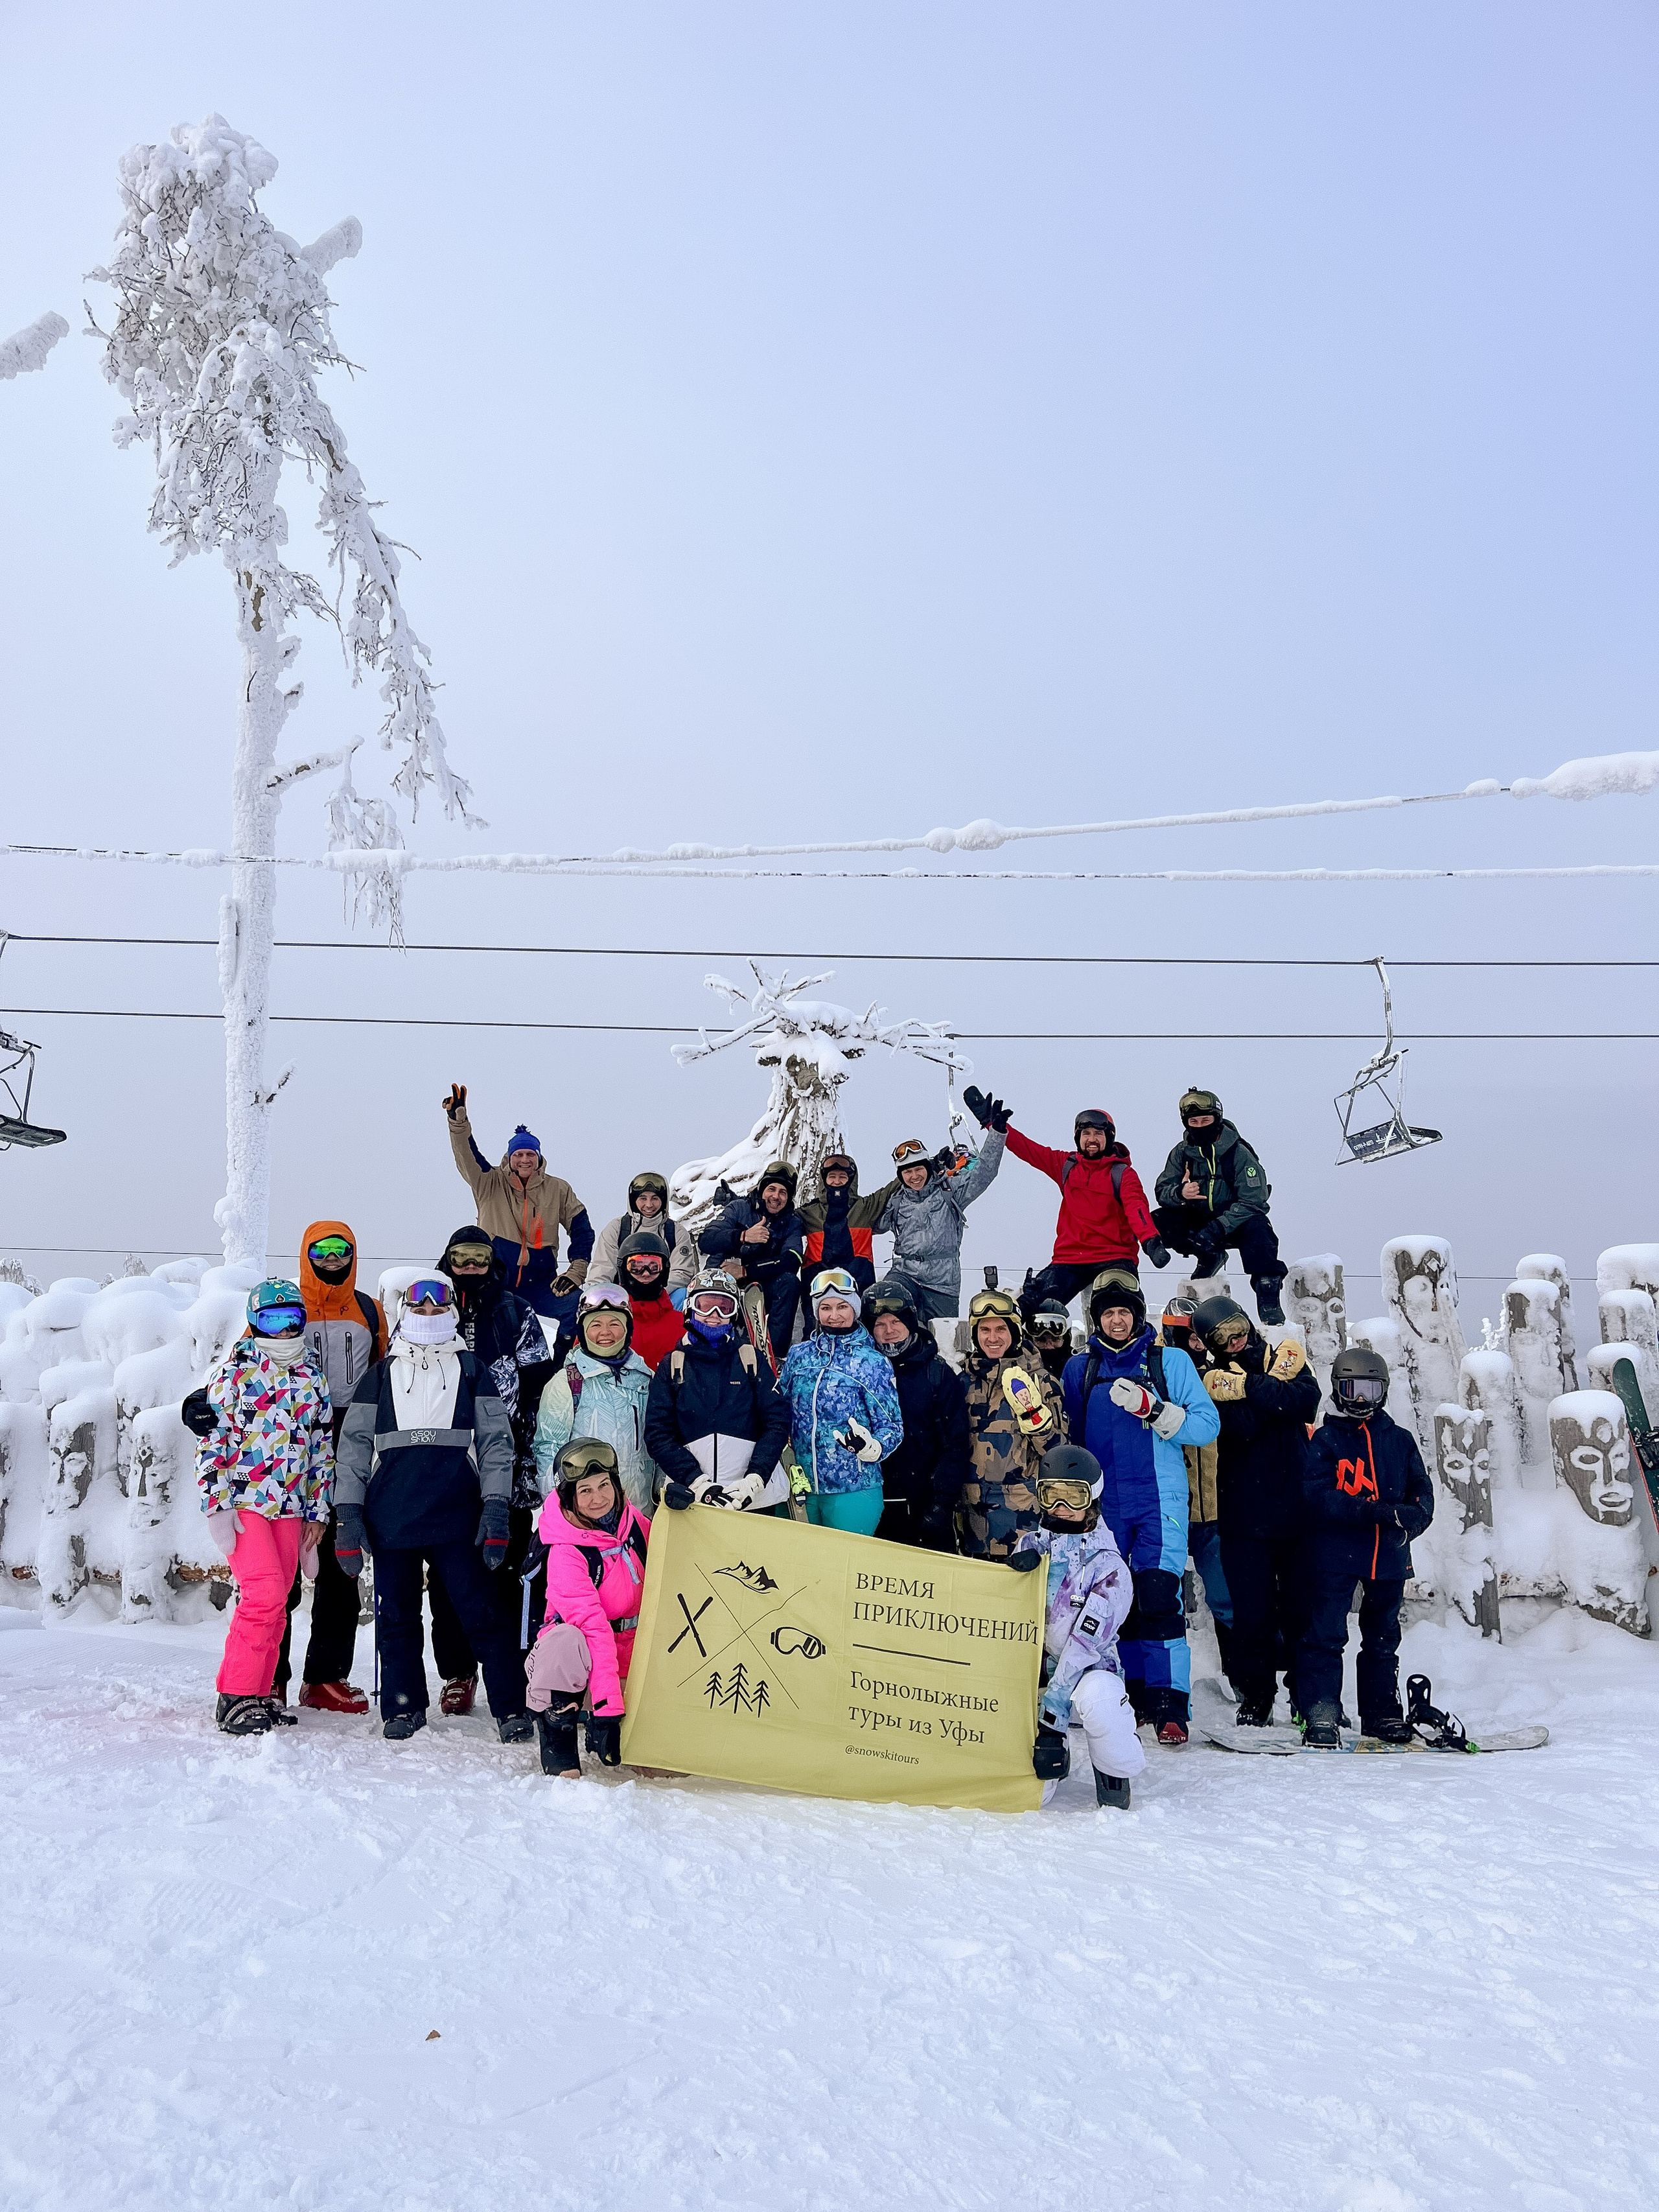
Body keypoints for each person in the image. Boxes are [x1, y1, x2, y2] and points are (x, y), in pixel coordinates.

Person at [333, 1275, 533, 1744]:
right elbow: (354, 1449)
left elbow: (496, 1445)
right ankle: (404, 1706)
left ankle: (511, 1706)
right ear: (406, 1314)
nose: (427, 1316)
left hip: (458, 1517)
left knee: (483, 1614)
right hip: (393, 1519)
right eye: (418, 1310)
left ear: (451, 1315)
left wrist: (497, 1506)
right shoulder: (380, 1375)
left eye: (435, 1310)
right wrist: (348, 1515)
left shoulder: (472, 1369)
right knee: (398, 1618)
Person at [1060, 1270, 1220, 1745]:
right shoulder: (1079, 1369)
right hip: (1104, 1505)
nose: (1116, 1320)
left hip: (1158, 1502)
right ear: (1097, 1319)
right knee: (1114, 1603)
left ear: (1136, 1316)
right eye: (1107, 1313)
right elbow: (1071, 1439)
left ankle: (1169, 1703)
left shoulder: (1169, 1362)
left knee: (1157, 1598)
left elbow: (1206, 1425)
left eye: (1123, 1312)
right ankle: (1128, 1695)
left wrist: (1155, 1410)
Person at [423, 1224, 555, 1717]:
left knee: (507, 1570)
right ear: (449, 1258)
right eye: (463, 1255)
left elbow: (539, 1382)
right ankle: (459, 1672)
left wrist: (530, 1448)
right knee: (446, 1573)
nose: (472, 1264)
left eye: (480, 1255)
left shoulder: (515, 1311)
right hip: (444, 1463)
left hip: (509, 1462)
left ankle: (512, 1667)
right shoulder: (429, 1310)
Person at [191, 1280, 332, 1736]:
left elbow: (321, 1448)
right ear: (254, 1322)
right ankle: (235, 1693)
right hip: (245, 1500)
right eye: (272, 1319)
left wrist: (318, 1511)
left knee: (281, 1597)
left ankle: (260, 1692)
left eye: (291, 1318)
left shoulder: (312, 1376)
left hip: (291, 1504)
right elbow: (211, 1442)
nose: (283, 1328)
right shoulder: (233, 1373)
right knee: (264, 1591)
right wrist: (217, 1505)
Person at [273, 1221, 384, 1714]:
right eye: (323, 1249)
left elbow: (386, 1372)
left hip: (349, 1438)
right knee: (280, 1567)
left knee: (343, 1561)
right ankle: (269, 1674)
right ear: (306, 1253)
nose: (333, 1258)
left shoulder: (367, 1310)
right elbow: (244, 1361)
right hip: (286, 1442)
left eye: (343, 1249)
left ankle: (324, 1677)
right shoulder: (286, 1306)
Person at [1194, 1294, 1320, 1727]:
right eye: (1222, 1337)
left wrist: (1249, 1387)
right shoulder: (1210, 1377)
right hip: (1244, 1514)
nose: (1234, 1341)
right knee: (1252, 1613)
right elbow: (1244, 1427)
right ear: (1210, 1343)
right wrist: (1273, 1393)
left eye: (1237, 1329)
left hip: (1298, 1510)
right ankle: (1257, 1697)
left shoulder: (1284, 1354)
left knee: (1303, 1610)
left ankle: (1307, 1697)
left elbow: (1307, 1402)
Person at [1297, 1346, 1434, 1747]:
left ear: (1384, 1392)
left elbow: (1421, 1493)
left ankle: (1381, 1714)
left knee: (1382, 1637)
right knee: (1325, 1634)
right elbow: (1318, 1495)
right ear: (1337, 1391)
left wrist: (1412, 1520)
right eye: (1352, 1388)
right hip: (1336, 1554)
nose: (1360, 1399)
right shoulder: (1326, 1440)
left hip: (1389, 1556)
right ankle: (1320, 1712)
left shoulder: (1400, 1440)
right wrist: (1374, 1513)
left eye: (1370, 1390)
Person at [1007, 1443, 1143, 1810]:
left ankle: (1113, 1767)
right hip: (1035, 1670)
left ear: (1093, 1499)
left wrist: (1052, 1719)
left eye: (1073, 1497)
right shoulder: (1031, 1546)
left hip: (1086, 1668)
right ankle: (1051, 1757)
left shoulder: (1110, 1569)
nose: (1060, 1509)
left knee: (1099, 1696)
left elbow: (1084, 1647)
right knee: (1033, 1798)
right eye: (1051, 1496)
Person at [961, 1088, 1170, 1317]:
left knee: (1120, 1309)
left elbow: (1136, 1208)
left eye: (1099, 1134)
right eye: (1086, 1133)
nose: (1092, 1139)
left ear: (1109, 1138)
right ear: (1078, 1137)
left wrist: (1151, 1241)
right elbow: (1029, 1149)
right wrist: (995, 1126)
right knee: (1031, 1307)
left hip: (1115, 1256)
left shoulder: (1122, 1174)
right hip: (1071, 1258)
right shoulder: (1066, 1165)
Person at [524, 1438, 650, 1778]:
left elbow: (676, 1556)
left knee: (656, 1768)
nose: (598, 1499)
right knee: (566, 1640)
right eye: (585, 1491)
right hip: (587, 1656)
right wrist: (608, 1708)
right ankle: (557, 1732)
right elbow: (594, 1628)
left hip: (633, 1650)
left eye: (604, 1485)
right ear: (569, 1497)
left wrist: (680, 1512)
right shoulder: (566, 1550)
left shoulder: (633, 1523)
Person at [442, 1082, 594, 1325]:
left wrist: (576, 1272)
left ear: (539, 1158)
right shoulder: (488, 1181)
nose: (525, 1160)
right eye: (519, 1155)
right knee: (482, 1323)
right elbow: (467, 1154)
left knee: (581, 1309)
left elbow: (582, 1231)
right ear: (510, 1158)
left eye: (530, 1154)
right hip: (495, 1282)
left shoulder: (558, 1189)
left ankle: (564, 1363)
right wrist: (459, 1123)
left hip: (542, 1284)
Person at [646, 1268, 791, 1510]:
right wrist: (695, 1481)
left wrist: (756, 1478)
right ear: (691, 1308)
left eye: (725, 1308)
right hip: (693, 1499)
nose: (714, 1315)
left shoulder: (749, 1360)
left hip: (754, 1499)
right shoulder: (673, 1365)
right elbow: (658, 1433)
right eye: (706, 1306)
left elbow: (777, 1421)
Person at [774, 1269, 905, 1536]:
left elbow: (892, 1425)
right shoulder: (799, 1356)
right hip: (799, 1486)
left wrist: (874, 1448)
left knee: (844, 1567)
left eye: (842, 1306)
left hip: (853, 1488)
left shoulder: (872, 1362)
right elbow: (779, 1408)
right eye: (826, 1308)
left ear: (855, 1308)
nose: (834, 1315)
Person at [1151, 1088, 1288, 1326]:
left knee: (1261, 1232)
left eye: (1206, 1120)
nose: (1200, 1126)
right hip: (1199, 1219)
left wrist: (1218, 1227)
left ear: (1217, 1120)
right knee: (1160, 1220)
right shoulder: (1181, 1153)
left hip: (1237, 1220)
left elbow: (1255, 1201)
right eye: (1194, 1121)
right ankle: (1209, 1256)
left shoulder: (1239, 1153)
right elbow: (1162, 1190)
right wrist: (1180, 1193)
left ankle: (1268, 1297)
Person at [1159, 1295, 1237, 1693]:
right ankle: (1163, 1684)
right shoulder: (1156, 1373)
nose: (1193, 1343)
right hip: (1167, 1510)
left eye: (1197, 1336)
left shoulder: (1223, 1375)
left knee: (1226, 1598)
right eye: (1182, 1334)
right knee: (1158, 1599)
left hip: (1215, 1510)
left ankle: (1239, 1679)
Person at [534, 1282, 658, 1518]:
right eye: (596, 1325)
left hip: (640, 1511)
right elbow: (548, 1450)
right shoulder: (567, 1383)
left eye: (615, 1324)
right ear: (583, 1331)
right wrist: (559, 1508)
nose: (606, 1333)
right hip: (587, 1513)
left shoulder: (646, 1379)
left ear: (628, 1329)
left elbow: (660, 1440)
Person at [864, 1280, 970, 1549]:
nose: (889, 1332)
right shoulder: (860, 1371)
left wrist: (941, 1503)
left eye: (896, 1322)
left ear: (910, 1322)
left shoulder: (937, 1373)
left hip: (924, 1506)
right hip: (872, 1502)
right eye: (879, 1324)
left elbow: (955, 1445)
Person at [959, 1286, 1064, 1559]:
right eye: (985, 1330)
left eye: (1001, 1330)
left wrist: (1037, 1424)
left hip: (1025, 1518)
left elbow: (1062, 1454)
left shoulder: (1041, 1382)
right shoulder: (963, 1383)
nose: (992, 1338)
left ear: (1015, 1333)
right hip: (975, 1519)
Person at [874, 1127, 1006, 1323]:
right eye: (908, 1172)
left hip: (942, 1283)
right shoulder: (897, 1200)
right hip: (904, 1275)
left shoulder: (950, 1191)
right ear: (901, 1176)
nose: (914, 1176)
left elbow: (985, 1173)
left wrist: (997, 1133)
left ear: (928, 1168)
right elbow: (872, 1223)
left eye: (919, 1169)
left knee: (942, 1343)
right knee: (885, 1302)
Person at [698, 1161, 806, 1364]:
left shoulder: (792, 1223)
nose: (776, 1196)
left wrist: (746, 1271)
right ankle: (708, 1347)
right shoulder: (739, 1208)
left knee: (789, 1283)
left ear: (789, 1198)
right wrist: (743, 1236)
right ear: (761, 1189)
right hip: (721, 1279)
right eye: (771, 1189)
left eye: (783, 1192)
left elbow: (792, 1260)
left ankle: (774, 1358)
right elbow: (706, 1240)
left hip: (760, 1285)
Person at [796, 1153, 888, 1317]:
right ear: (824, 1180)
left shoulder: (865, 1208)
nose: (837, 1181)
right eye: (832, 1177)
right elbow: (779, 1218)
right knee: (815, 1328)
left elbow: (893, 1188)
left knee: (862, 1327)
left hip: (859, 1283)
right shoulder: (809, 1212)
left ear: (851, 1180)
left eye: (842, 1177)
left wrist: (934, 1165)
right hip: (817, 1285)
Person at [589, 1170, 697, 1294]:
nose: (649, 1205)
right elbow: (603, 1268)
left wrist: (655, 1294)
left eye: (655, 1198)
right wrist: (596, 1296)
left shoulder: (676, 1233)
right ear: (633, 1200)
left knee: (682, 1294)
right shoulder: (617, 1229)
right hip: (622, 1300)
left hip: (664, 1298)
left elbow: (681, 1273)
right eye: (643, 1198)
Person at [615, 1229, 687, 1371]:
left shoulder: (685, 1325)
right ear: (624, 1269)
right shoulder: (604, 1321)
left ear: (665, 1270)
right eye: (636, 1266)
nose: (646, 1273)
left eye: (654, 1266)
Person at [1028, 1299, 1075, 1386]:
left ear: (1066, 1340)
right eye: (1041, 1340)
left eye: (1055, 1339)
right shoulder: (1021, 1369)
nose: (1049, 1347)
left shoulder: (1077, 1369)